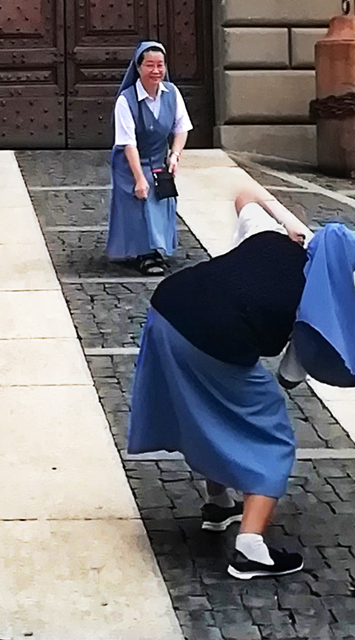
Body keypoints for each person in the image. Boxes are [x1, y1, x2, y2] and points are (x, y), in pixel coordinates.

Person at [127, 180, 315, 579]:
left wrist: (286, 223)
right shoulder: (318, 294)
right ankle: (251, 548)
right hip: (213, 336)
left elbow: (246, 194)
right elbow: (289, 375)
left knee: (206, 412)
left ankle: (219, 503)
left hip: (168, 309)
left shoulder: (265, 234)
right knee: (271, 433)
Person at [105, 40, 192, 277]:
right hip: (130, 162)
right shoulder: (126, 100)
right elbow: (128, 143)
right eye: (150, 65)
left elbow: (182, 127)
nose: (156, 70)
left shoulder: (172, 94)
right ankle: (144, 253)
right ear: (138, 67)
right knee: (141, 201)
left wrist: (175, 155)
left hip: (158, 159)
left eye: (160, 65)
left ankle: (158, 249)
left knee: (161, 202)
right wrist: (139, 178)